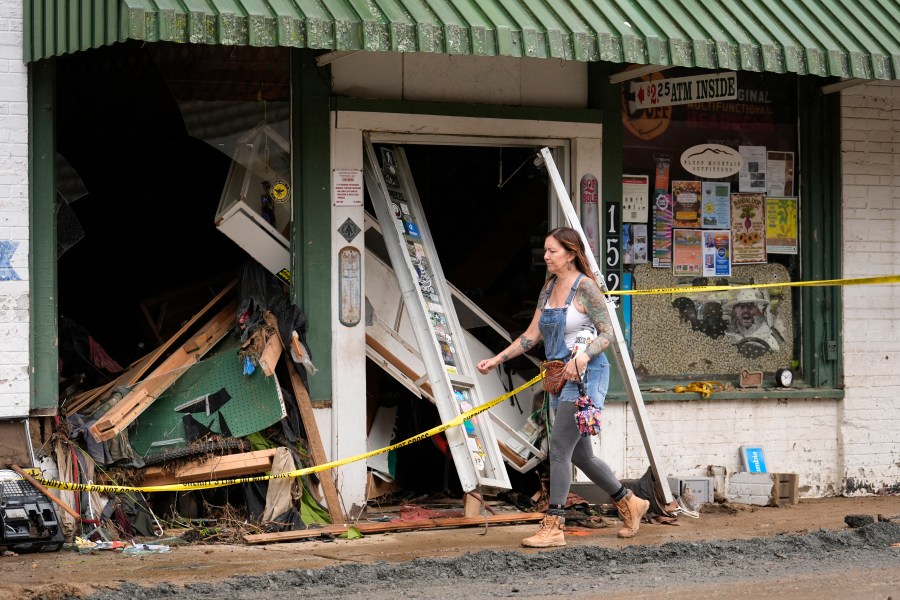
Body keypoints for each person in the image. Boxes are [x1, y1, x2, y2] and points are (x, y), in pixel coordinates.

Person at [477, 227, 649, 548]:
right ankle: (630, 502)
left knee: (558, 450)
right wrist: (497, 359)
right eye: (545, 250)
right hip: (558, 378)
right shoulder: (548, 288)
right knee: (581, 456)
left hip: (586, 377)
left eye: (552, 251)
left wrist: (583, 356)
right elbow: (531, 336)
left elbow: (609, 333)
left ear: (571, 254)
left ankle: (554, 525)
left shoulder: (586, 289)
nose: (546, 256)